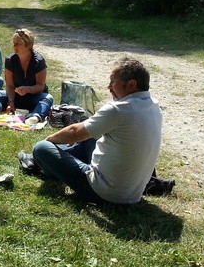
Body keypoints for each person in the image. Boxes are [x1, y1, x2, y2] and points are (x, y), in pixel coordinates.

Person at [29, 57, 162, 205]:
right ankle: (48, 160)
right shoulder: (154, 106)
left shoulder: (118, 109)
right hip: (134, 192)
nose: (109, 86)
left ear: (131, 84)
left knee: (41, 148)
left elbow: (74, 132)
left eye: (113, 81)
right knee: (92, 136)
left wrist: (49, 142)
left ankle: (41, 161)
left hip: (104, 192)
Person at [0, 28, 54, 124]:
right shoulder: (10, 60)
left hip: (34, 97)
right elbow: (10, 86)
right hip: (16, 97)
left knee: (48, 98)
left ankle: (36, 116)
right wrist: (11, 102)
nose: (14, 46)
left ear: (28, 45)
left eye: (18, 43)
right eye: (14, 43)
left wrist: (27, 89)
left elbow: (40, 86)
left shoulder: (38, 61)